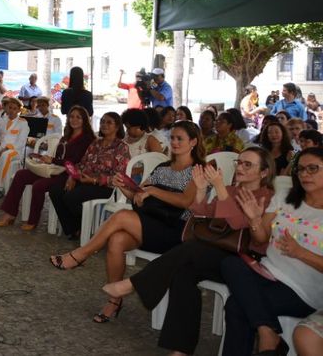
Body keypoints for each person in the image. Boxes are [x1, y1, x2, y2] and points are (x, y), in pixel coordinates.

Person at [102, 147, 276, 355]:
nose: (240, 167)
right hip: (213, 251)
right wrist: (202, 190)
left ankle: (134, 284)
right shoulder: (230, 190)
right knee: (183, 274)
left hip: (240, 260)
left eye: (248, 164)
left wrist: (220, 187)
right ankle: (181, 349)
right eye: (239, 162)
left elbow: (237, 224)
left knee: (191, 249)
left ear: (264, 172)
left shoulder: (267, 197)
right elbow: (200, 215)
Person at [50, 121, 204, 324]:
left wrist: (154, 191)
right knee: (116, 240)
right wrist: (124, 187)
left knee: (122, 216)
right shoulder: (162, 167)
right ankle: (114, 301)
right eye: (172, 138)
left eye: (180, 139)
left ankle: (81, 254)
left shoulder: (197, 170)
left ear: (193, 142)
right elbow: (139, 196)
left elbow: (187, 201)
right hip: (150, 223)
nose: (174, 142)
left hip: (175, 230)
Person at [220, 147, 323, 356]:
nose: (304, 174)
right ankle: (268, 332)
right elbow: (261, 238)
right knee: (229, 263)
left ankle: (267, 336)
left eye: (313, 168)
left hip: (303, 289)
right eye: (301, 169)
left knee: (236, 306)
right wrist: (254, 220)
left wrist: (301, 253)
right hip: (267, 272)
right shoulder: (285, 196)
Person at [0, 106, 95, 230]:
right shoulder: (67, 136)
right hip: (54, 169)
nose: (74, 120)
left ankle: (33, 220)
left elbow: (76, 162)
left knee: (39, 185)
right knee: (21, 175)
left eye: (78, 117)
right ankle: (9, 214)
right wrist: (43, 158)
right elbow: (59, 155)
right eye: (71, 117)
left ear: (84, 120)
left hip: (68, 175)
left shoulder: (87, 139)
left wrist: (52, 160)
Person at [49, 112, 130, 239]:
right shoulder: (95, 143)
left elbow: (118, 176)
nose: (104, 124)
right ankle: (74, 229)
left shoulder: (121, 147)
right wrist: (72, 177)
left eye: (109, 122)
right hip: (84, 180)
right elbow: (82, 164)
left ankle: (87, 227)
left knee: (71, 197)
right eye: (102, 121)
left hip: (105, 186)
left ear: (118, 126)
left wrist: (94, 180)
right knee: (56, 191)